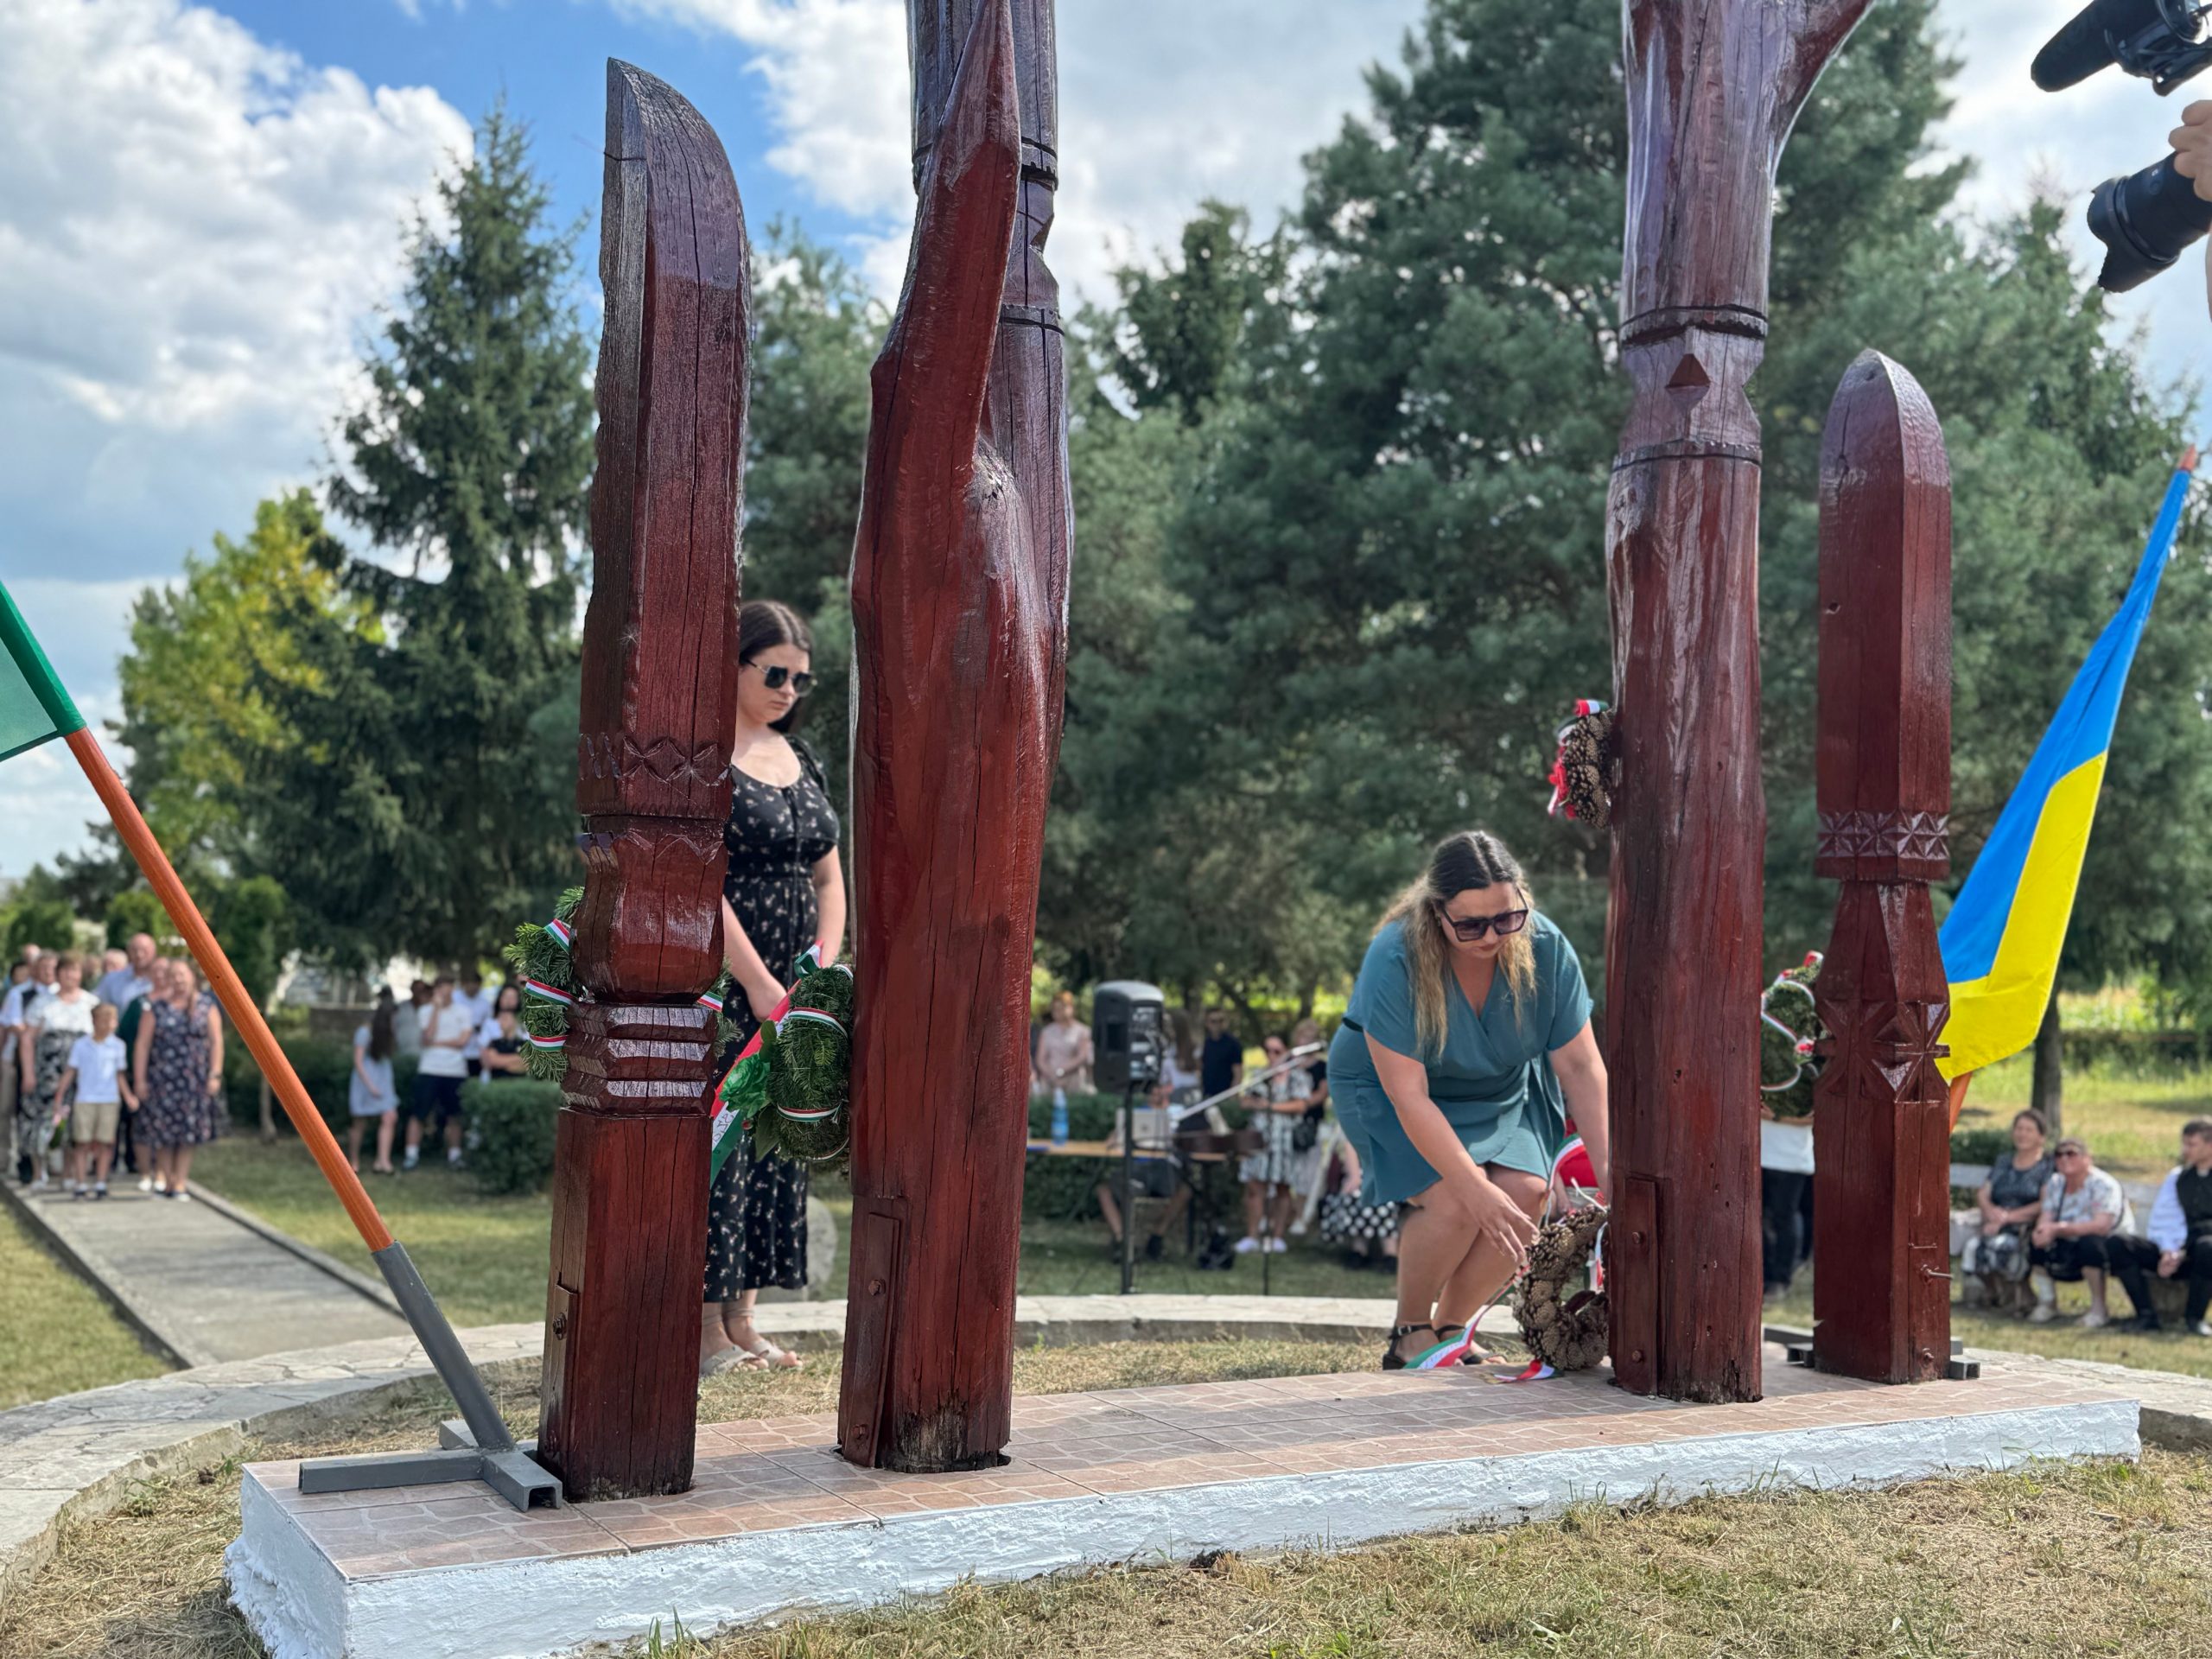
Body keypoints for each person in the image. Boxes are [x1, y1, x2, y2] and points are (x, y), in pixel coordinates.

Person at [1330, 830, 1611, 1370]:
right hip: (1392, 1091)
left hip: (1503, 1087)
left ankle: (1452, 1327)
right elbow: (1408, 1095)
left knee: (1528, 1193)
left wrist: (1611, 1172)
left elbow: (1579, 1065)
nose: (1493, 936)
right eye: (1471, 924)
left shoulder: (1546, 948)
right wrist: (1472, 1186)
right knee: (1458, 1201)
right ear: (1437, 914)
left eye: (1508, 917)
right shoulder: (1395, 957)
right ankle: (1410, 1330)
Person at [704, 600, 847, 1375]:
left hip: (797, 992)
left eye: (801, 677)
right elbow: (702, 877)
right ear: (734, 666)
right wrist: (760, 985)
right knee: (721, 1148)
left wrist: (818, 970)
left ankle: (746, 1321)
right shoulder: (702, 759)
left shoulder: (804, 759)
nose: (790, 688)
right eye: (774, 673)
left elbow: (828, 873)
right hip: (730, 990)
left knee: (776, 1146)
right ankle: (703, 1334)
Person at [2030, 1137, 2156, 1328]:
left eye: (2071, 1153)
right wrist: (2042, 1230)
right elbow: (2047, 1215)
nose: (2064, 1159)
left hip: (2111, 1245)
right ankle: (2048, 1303)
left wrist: (2057, 1229)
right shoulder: (2056, 1182)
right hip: (2067, 1238)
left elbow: (2101, 1225)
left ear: (2087, 1158)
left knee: (2090, 1244)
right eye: (2059, 1155)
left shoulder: (2104, 1184)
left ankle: (2099, 1309)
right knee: (2036, 1241)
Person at [133, 957, 223, 1199]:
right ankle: (166, 1179)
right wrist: (139, 1079)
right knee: (164, 1133)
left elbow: (216, 1042)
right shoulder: (157, 1008)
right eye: (174, 975)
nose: (179, 980)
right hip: (163, 1079)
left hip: (194, 1080)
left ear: (192, 976)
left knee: (187, 1134)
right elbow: (142, 1045)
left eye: (182, 974)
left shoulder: (206, 1006)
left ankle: (180, 1182)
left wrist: (215, 1073)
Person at [1962, 1110, 2054, 1313]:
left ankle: (2018, 1295)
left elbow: (2045, 1202)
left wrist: (2008, 1218)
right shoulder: (2004, 1161)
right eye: (2019, 1129)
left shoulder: (2047, 1165)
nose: (2022, 1134)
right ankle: (1996, 1293)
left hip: (2024, 1226)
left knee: (2004, 1246)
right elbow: (1984, 1193)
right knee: (1974, 1245)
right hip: (1994, 1221)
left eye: (2029, 1130)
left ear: (2041, 1136)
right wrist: (1992, 1212)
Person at [21, 953, 97, 1192]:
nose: (70, 975)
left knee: (73, 1125)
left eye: (75, 971)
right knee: (41, 1121)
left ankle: (68, 1174)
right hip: (47, 1074)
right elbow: (27, 1039)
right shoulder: (43, 1002)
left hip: (81, 1077)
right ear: (58, 973)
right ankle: (38, 1173)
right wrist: (28, 1073)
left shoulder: (91, 1002)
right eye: (66, 970)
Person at [1096, 1077, 1194, 1258]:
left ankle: (1157, 1236)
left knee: (1185, 1190)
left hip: (1164, 1170)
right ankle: (1122, 1240)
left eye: (1160, 1089)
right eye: (1153, 1090)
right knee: (1104, 1190)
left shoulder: (1179, 1114)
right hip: (1137, 1170)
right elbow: (1111, 1141)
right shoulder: (1137, 1113)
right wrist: (1119, 1133)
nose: (1157, 1093)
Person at [1236, 1034, 1310, 1255]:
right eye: (1267, 1050)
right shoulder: (1260, 1075)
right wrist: (1258, 1104)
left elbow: (1300, 1105)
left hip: (1284, 1140)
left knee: (1283, 1188)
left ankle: (1277, 1237)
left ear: (1286, 1051)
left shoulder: (1298, 1077)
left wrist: (1270, 1106)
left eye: (1276, 1051)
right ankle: (1252, 1236)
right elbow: (1244, 1100)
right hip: (1259, 1138)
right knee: (1255, 1187)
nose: (1271, 1055)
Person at [2147, 1116, 2212, 1338]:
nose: (2185, 1150)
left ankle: (2195, 1318)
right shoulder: (2178, 1178)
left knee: (2207, 1247)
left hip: (2204, 1248)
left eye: (2191, 1144)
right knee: (2120, 1245)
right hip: (2180, 1246)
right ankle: (2146, 1316)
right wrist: (2170, 1249)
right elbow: (2165, 1218)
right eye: (2184, 1143)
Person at [59, 1002, 131, 1198]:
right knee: (82, 1142)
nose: (109, 1023)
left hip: (109, 1099)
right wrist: (59, 1097)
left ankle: (100, 1182)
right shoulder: (81, 1045)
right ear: (94, 1020)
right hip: (85, 1099)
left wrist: (128, 1096)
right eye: (105, 1019)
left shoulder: (118, 1046)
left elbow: (120, 1075)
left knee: (105, 1143)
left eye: (112, 1019)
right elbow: (70, 1072)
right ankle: (80, 1183)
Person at [407, 974, 474, 1171]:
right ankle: (411, 1155)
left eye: (449, 987)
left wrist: (437, 1043)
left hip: (454, 1071)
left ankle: (455, 1155)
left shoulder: (463, 1011)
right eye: (441, 987)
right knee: (419, 1113)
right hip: (429, 1068)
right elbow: (427, 1037)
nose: (445, 991)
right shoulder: (426, 1011)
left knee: (454, 1114)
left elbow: (462, 1042)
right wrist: (436, 1009)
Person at [1758, 1101, 1815, 1303]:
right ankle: (1761, 1276)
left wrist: (1775, 1116)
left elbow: (1815, 1116)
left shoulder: (1809, 1071)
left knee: (1784, 1218)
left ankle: (1781, 1279)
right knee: (1757, 1221)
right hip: (1757, 1155)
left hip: (1792, 1161)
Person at [348, 995, 400, 1174]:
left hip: (383, 1079)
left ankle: (383, 1162)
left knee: (390, 1117)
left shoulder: (388, 1035)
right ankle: (353, 1161)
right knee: (359, 1122)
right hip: (366, 1081)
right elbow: (358, 1061)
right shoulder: (365, 1032)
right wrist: (370, 1087)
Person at [2, 959, 32, 1182]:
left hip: (31, 1062)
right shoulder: (16, 995)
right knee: (5, 1110)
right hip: (11, 1060)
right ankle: (4, 1157)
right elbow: (6, 1027)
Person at [1033, 990, 1094, 1099]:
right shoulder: (1047, 1032)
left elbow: (1082, 1056)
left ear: (1071, 1008)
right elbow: (1040, 1059)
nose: (1058, 1012)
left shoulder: (1082, 1031)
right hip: (1049, 1081)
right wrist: (1052, 1075)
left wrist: (1061, 1071)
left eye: (1062, 1008)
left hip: (1073, 1081)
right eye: (1055, 1009)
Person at [94, 932, 157, 1011]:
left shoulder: (163, 981)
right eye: (134, 950)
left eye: (144, 950)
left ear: (154, 951)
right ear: (128, 951)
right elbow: (99, 1007)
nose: (139, 955)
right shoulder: (111, 980)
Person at [478, 985, 528, 1081]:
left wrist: (501, 1061)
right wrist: (518, 1059)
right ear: (500, 998)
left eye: (513, 997)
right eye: (506, 996)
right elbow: (489, 1061)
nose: (509, 1000)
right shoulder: (489, 1024)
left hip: (521, 1082)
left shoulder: (525, 1026)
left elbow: (529, 1061)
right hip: (494, 1081)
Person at [1200, 1007, 1244, 1101]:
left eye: (1221, 1021)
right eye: (1213, 1021)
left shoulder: (1233, 1044)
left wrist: (1233, 1096)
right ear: (1207, 1023)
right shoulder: (1205, 1043)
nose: (1217, 1024)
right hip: (1207, 1096)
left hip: (1225, 1096)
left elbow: (1238, 1073)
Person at [391, 980, 428, 1062]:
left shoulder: (430, 1008)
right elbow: (393, 1026)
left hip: (425, 1056)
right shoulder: (401, 1007)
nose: (419, 992)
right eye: (417, 989)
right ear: (412, 990)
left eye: (422, 990)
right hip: (403, 1053)